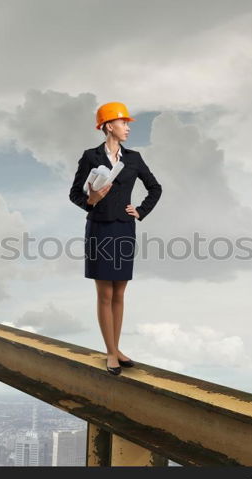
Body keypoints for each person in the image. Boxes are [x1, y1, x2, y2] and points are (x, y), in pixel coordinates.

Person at [69, 102, 162, 375]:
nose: (128, 127)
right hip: (99, 227)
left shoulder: (134, 158)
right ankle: (110, 352)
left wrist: (140, 211)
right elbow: (75, 193)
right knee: (104, 293)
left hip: (124, 229)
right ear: (109, 126)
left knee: (120, 292)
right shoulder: (90, 156)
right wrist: (91, 200)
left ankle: (116, 348)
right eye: (124, 123)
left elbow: (155, 187)